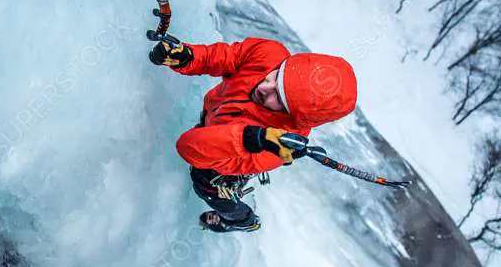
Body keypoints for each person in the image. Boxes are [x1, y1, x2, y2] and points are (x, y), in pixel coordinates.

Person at [150, 37, 358, 232]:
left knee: (205, 183)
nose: (264, 87)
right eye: (277, 75)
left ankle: (242, 220)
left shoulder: (273, 152)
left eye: (278, 97)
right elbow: (223, 57)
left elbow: (189, 147)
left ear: (293, 115)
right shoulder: (269, 53)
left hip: (225, 162)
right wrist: (188, 57)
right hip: (216, 118)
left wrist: (249, 139)